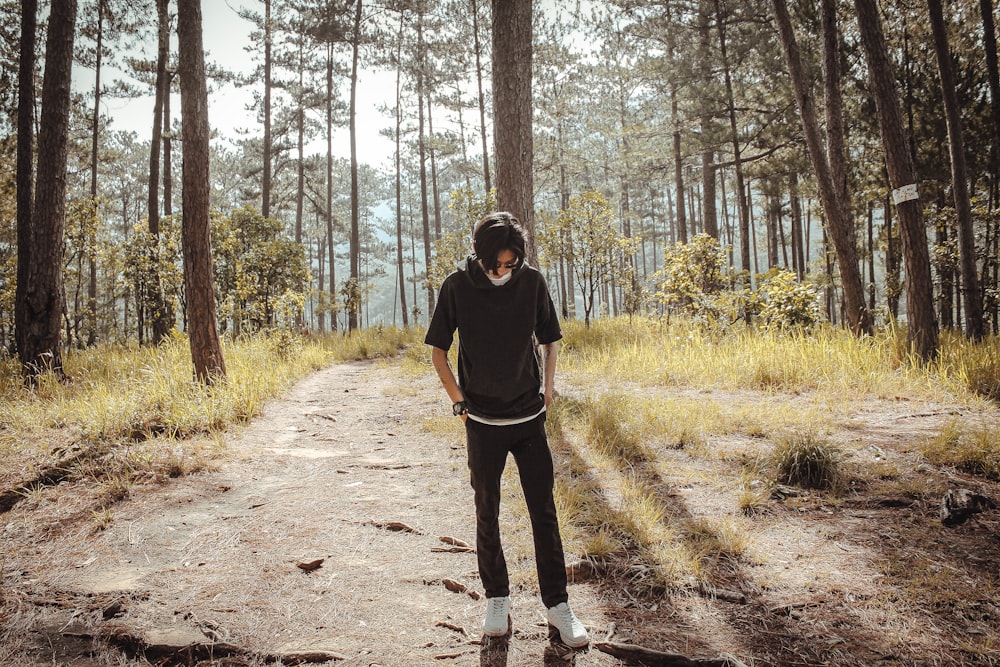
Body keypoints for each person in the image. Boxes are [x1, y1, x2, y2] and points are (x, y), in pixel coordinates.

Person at [424, 212, 589, 648]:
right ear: (479, 255)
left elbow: (549, 340)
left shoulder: (531, 282)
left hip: (529, 419)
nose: (504, 271)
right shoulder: (457, 286)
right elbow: (438, 351)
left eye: (511, 263)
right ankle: (497, 598)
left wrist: (549, 389)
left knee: (544, 513)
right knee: (487, 512)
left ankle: (558, 606)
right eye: (496, 263)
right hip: (481, 422)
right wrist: (457, 400)